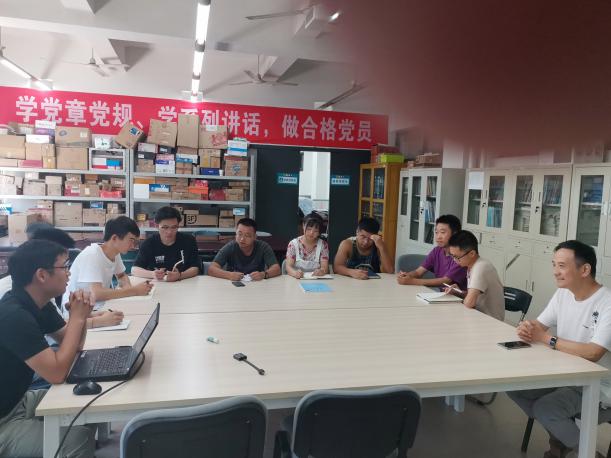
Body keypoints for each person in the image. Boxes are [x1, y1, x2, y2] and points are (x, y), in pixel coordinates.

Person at [508, 241, 611, 458]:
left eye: (562, 266)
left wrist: (547, 339)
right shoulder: (563, 293)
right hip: (565, 374)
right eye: (554, 265)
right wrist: (528, 327)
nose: (555, 271)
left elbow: (593, 353)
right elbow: (539, 325)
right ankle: (563, 440)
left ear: (585, 269)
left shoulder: (606, 303)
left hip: (599, 385)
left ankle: (586, 452)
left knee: (546, 409)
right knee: (513, 387)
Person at [0, 240, 96, 457]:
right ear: (42, 275)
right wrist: (77, 318)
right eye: (65, 266)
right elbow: (56, 373)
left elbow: (74, 345)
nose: (69, 273)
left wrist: (80, 316)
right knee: (77, 440)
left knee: (87, 404)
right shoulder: (13, 315)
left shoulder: (39, 303)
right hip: (3, 420)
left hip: (18, 400)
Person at [0, 228, 123, 330]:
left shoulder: (41, 292)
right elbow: (60, 346)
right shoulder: (13, 305)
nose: (69, 273)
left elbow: (61, 326)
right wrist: (93, 321)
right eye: (64, 266)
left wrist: (88, 315)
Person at [62, 216, 152, 308]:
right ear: (114, 238)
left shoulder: (115, 253)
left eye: (135, 242)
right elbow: (97, 294)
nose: (133, 246)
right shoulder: (92, 254)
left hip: (97, 305)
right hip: (77, 310)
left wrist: (127, 288)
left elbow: (121, 276)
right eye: (131, 240)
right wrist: (133, 291)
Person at [444, 230, 505, 321]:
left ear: (472, 254)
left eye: (457, 257)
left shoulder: (481, 267)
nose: (454, 260)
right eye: (452, 256)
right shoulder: (472, 266)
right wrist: (459, 292)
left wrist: (465, 298)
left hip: (490, 322)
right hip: (477, 316)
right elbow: (474, 298)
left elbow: (469, 303)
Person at [396, 214, 467, 290]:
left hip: (457, 296)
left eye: (442, 232)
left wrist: (412, 281)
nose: (438, 237)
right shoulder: (437, 250)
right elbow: (418, 272)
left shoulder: (460, 255)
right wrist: (407, 276)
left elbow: (446, 281)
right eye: (436, 232)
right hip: (441, 294)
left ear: (455, 234)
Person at [132, 206, 200, 282]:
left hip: (184, 283)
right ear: (157, 226)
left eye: (174, 227)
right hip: (157, 284)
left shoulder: (189, 241)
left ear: (178, 225)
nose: (169, 232)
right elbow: (134, 269)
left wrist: (180, 275)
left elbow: (196, 268)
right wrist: (152, 274)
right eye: (165, 227)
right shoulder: (148, 243)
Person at [208, 218, 281, 281]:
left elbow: (276, 269)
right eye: (239, 234)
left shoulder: (263, 247)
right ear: (236, 234)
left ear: (255, 237)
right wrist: (229, 275)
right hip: (234, 285)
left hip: (256, 284)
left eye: (247, 235)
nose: (242, 239)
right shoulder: (230, 246)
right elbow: (211, 269)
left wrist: (264, 274)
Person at [285, 213, 330, 278]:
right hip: (296, 280)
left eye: (316, 231)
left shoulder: (323, 245)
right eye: (309, 229)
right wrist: (295, 273)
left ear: (319, 232)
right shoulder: (293, 244)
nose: (311, 233)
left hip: (316, 280)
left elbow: (325, 267)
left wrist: (322, 271)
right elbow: (288, 266)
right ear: (303, 226)